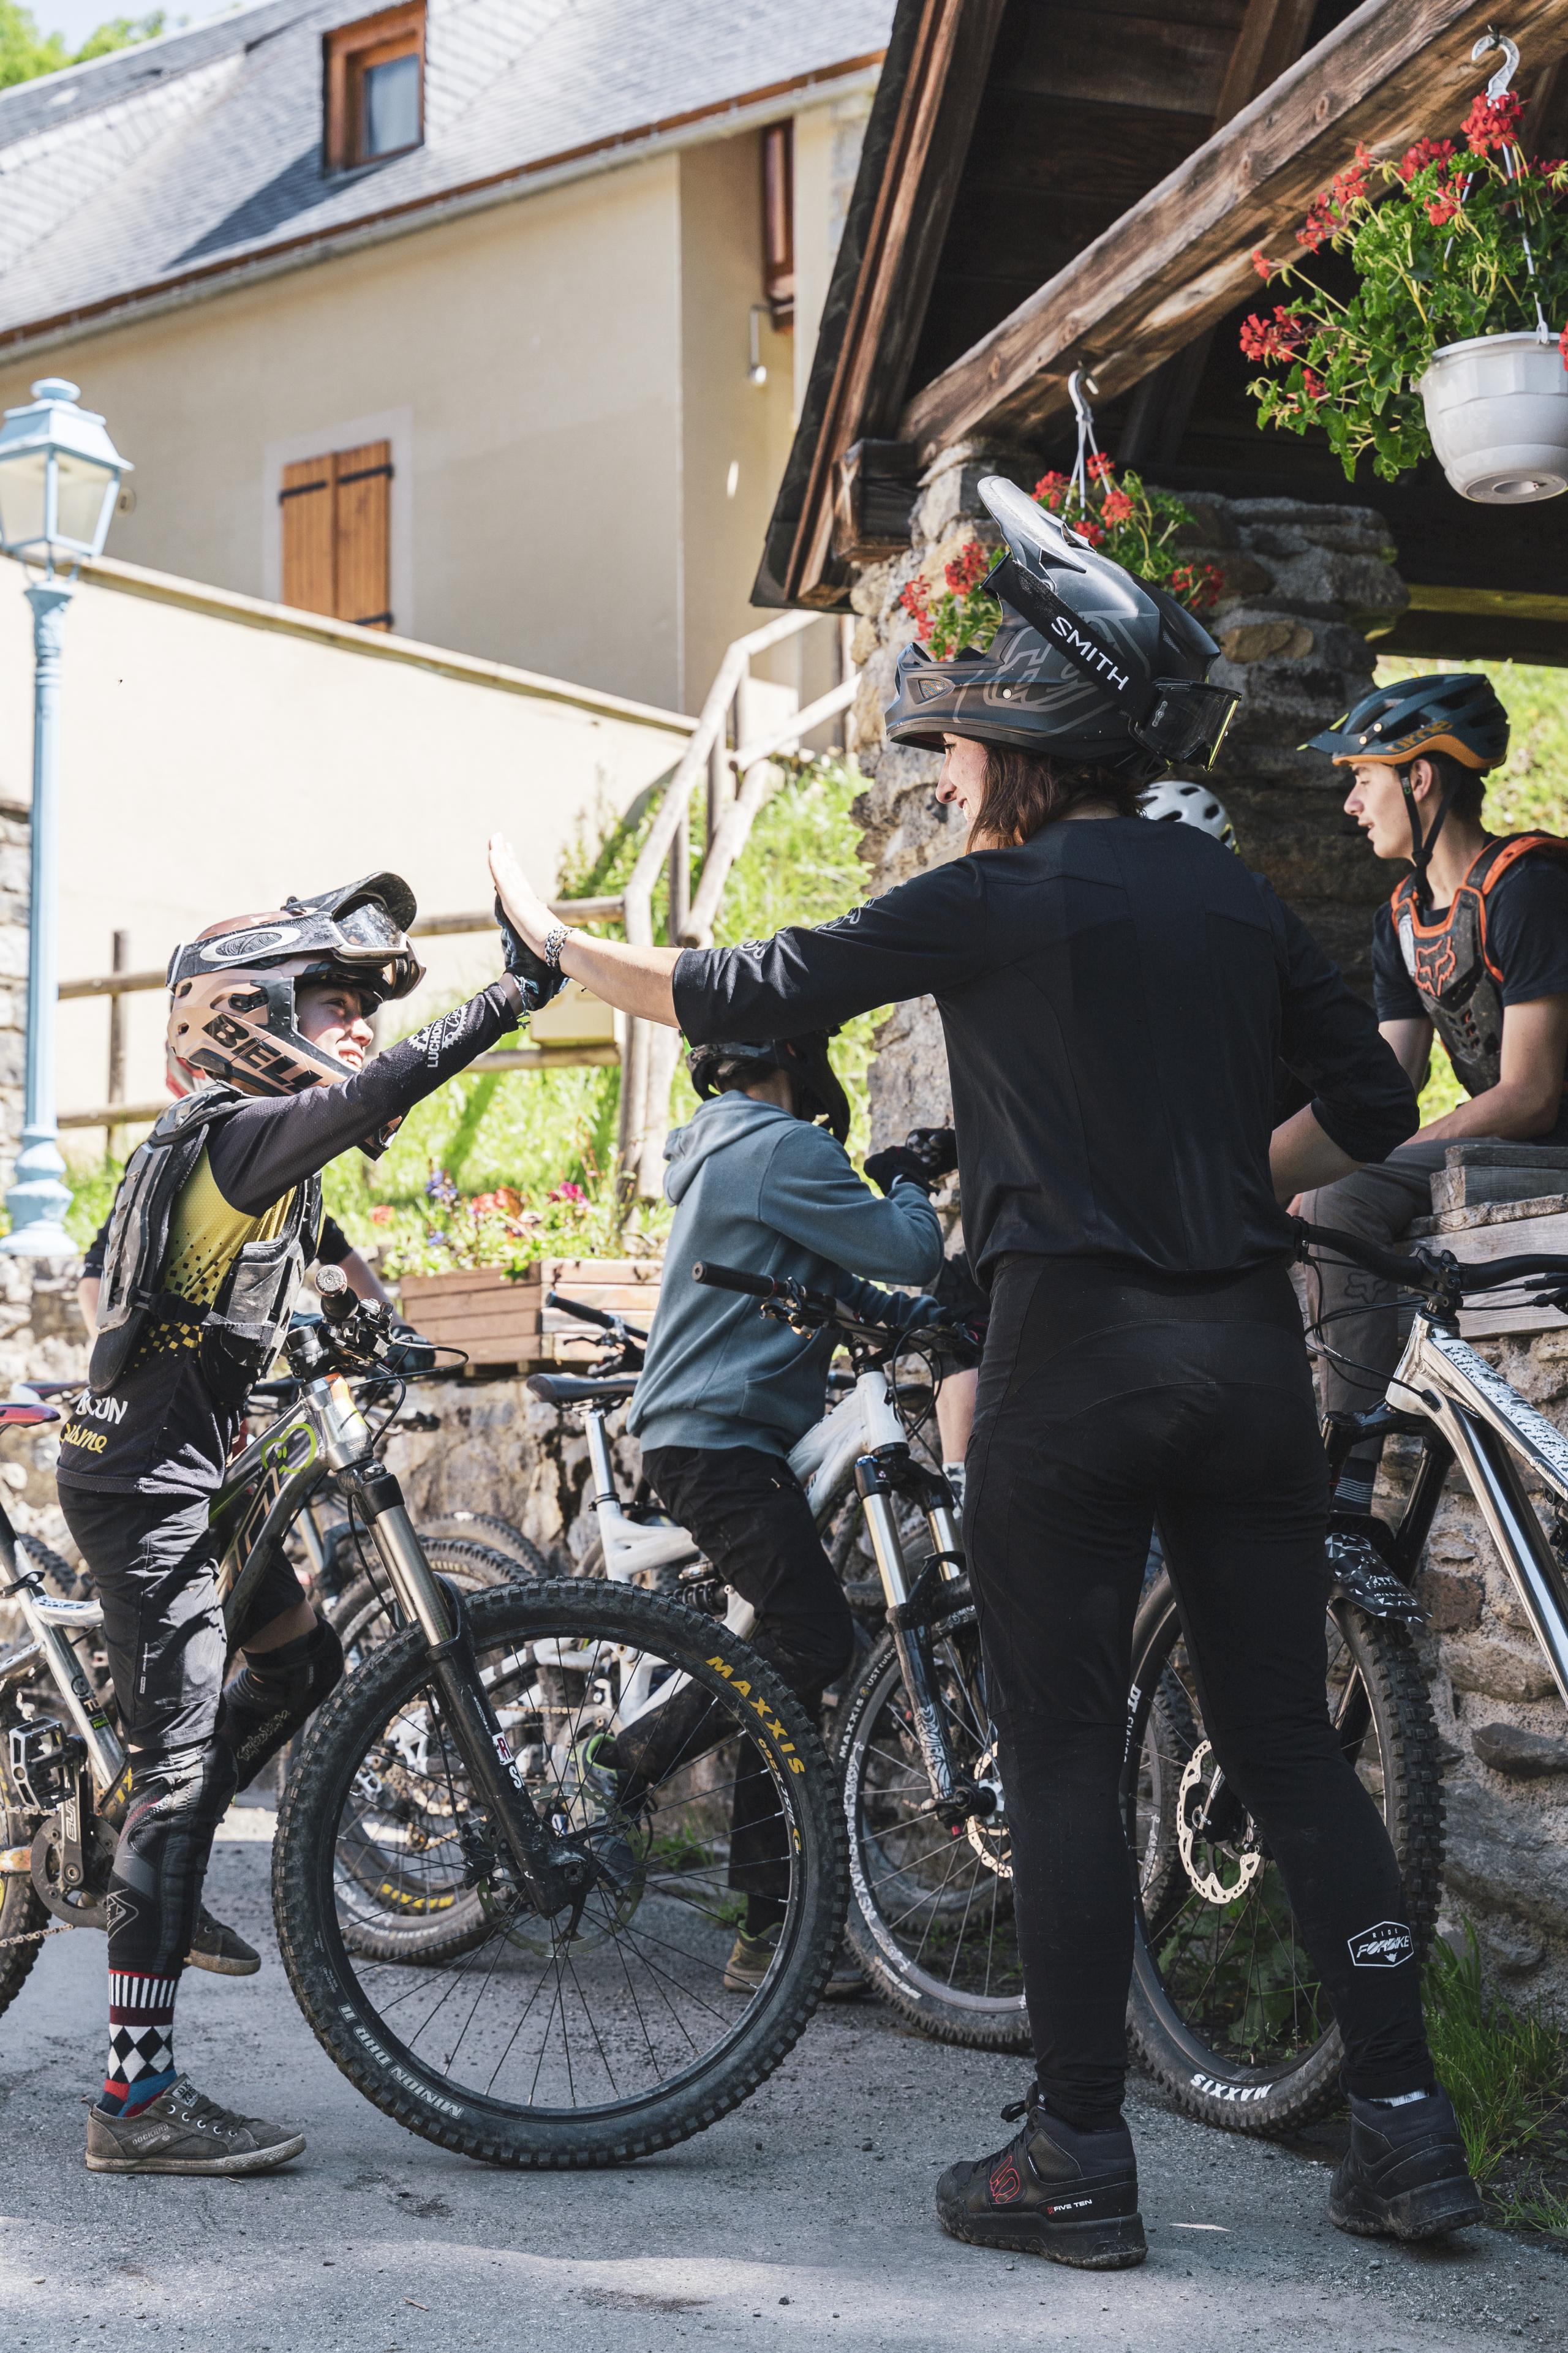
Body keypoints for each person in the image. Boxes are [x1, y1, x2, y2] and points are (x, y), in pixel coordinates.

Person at [489, 475, 1481, 2264]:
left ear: (1025, 745)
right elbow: (1382, 1103)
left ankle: (1079, 2157)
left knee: (1065, 1752)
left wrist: (559, 948)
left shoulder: (1001, 896)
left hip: (1069, 1367)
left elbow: (752, 982)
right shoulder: (1239, 897)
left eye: (956, 744)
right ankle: (1410, 2137)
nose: (945, 770)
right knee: (1287, 1752)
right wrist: (1219, 1191)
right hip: (1250, 1361)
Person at [56, 872, 543, 2178]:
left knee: (304, 1662)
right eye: (332, 1004)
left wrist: (377, 1320)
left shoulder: (272, 1162)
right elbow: (377, 1100)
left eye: (358, 1009)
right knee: (171, 1773)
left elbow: (315, 1250)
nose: (356, 1031)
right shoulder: (231, 1133)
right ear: (245, 1013)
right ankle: (135, 2101)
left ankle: (154, 1847)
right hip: (147, 1488)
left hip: (195, 1472)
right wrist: (515, 987)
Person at [600, 1032, 946, 1993]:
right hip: (720, 1440)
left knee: (780, 1673)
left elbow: (859, 1291)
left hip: (721, 1435)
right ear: (802, 1056)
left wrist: (948, 1315)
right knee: (813, 1638)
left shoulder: (738, 1150)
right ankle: (630, 1756)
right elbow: (911, 1249)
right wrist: (908, 1176)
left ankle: (766, 1935)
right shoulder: (784, 1147)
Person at [1296, 674, 1568, 1508]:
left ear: (1420, 778)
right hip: (1507, 1145)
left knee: (1342, 1204)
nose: (1351, 803)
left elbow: (1531, 1094)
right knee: (1297, 1205)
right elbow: (1384, 1089)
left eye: (1363, 779)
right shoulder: (1403, 920)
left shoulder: (1529, 890)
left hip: (1549, 1145)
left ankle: (1343, 1490)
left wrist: (1361, 1170)